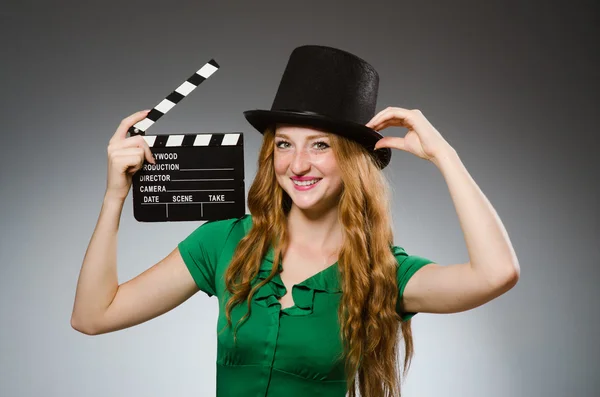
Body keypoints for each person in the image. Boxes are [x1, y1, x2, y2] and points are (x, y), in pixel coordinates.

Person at [71, 45, 520, 397]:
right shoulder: (224, 241)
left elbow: (496, 274)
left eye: (320, 146)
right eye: (284, 144)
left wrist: (446, 156)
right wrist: (115, 195)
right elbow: (93, 316)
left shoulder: (384, 273)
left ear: (354, 161)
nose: (298, 164)